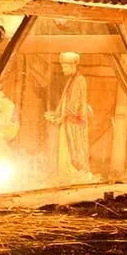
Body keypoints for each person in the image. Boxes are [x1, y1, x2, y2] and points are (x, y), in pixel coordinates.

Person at [45, 51, 91, 181]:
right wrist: (55, 113)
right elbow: (64, 101)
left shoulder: (79, 80)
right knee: (64, 151)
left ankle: (76, 174)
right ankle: (66, 175)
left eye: (65, 67)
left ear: (73, 66)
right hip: (67, 121)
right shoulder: (71, 80)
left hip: (74, 122)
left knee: (74, 150)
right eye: (62, 66)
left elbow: (74, 104)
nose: (63, 69)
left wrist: (61, 117)